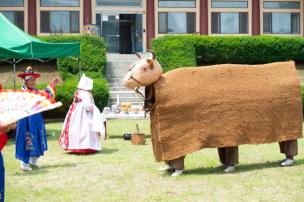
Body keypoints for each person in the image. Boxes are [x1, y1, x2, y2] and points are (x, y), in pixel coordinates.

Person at [15, 66, 58, 171]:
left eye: (34, 80)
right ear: (25, 81)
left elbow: (46, 94)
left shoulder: (36, 91)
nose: (33, 82)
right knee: (26, 139)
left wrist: (52, 85)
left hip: (36, 120)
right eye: (30, 80)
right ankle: (24, 163)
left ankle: (33, 160)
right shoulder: (21, 93)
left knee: (37, 137)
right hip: (25, 121)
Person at [59, 74, 106, 154]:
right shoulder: (86, 94)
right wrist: (94, 108)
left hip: (74, 113)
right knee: (85, 128)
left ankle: (75, 146)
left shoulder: (78, 92)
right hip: (83, 115)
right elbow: (87, 105)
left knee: (76, 128)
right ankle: (85, 146)